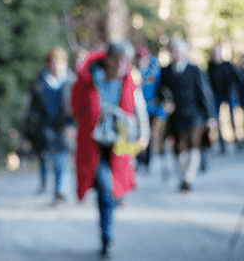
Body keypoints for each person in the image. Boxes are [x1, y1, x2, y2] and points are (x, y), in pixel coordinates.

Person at [72, 40, 149, 259]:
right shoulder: (88, 80)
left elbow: (139, 108)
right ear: (108, 59)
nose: (122, 65)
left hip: (119, 145)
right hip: (94, 145)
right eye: (118, 60)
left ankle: (107, 227)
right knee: (106, 189)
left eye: (126, 60)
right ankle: (107, 236)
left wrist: (144, 135)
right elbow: (77, 108)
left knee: (116, 190)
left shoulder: (128, 81)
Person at [156, 38, 215, 191]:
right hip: (176, 116)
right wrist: (165, 102)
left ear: (184, 51)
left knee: (194, 143)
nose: (176, 53)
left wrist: (211, 116)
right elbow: (160, 92)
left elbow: (204, 92)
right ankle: (183, 177)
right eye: (173, 50)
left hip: (195, 114)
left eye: (179, 50)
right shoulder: (165, 72)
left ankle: (189, 177)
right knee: (178, 147)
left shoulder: (194, 70)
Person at [22, 46, 76, 203]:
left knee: (61, 160)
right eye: (52, 62)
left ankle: (59, 191)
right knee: (44, 158)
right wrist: (27, 129)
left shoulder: (71, 82)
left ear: (65, 64)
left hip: (63, 126)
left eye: (59, 62)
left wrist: (72, 125)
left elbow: (76, 107)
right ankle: (44, 183)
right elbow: (32, 108)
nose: (55, 66)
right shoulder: (40, 82)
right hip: (43, 127)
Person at [134, 46, 166, 174]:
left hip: (151, 109)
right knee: (136, 134)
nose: (142, 60)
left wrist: (161, 111)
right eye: (140, 58)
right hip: (136, 110)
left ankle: (147, 161)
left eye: (144, 58)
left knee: (150, 135)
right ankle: (138, 159)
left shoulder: (154, 72)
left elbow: (161, 91)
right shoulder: (133, 72)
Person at [207, 44, 243, 153]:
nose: (216, 55)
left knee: (233, 118)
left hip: (229, 94)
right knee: (217, 120)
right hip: (216, 96)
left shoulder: (228, 65)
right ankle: (222, 144)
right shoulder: (210, 67)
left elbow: (237, 78)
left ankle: (237, 140)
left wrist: (233, 90)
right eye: (215, 53)